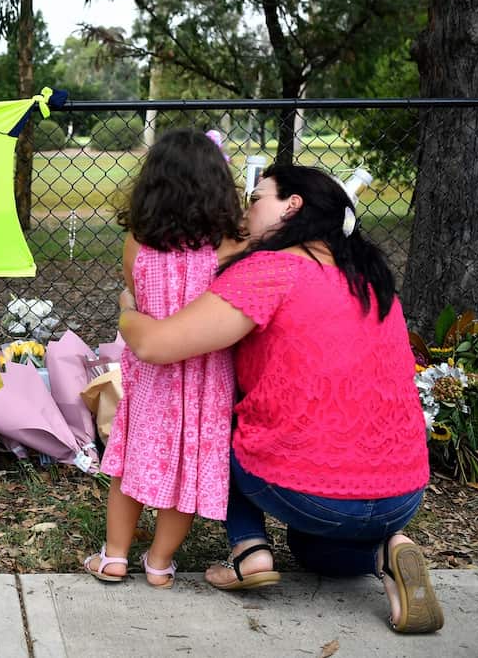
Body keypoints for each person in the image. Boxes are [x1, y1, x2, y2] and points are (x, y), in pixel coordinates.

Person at [118, 164, 443, 633]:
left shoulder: (269, 271)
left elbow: (156, 345)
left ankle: (248, 548)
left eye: (257, 198)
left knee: (215, 416)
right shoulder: (371, 279)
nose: (246, 209)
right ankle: (386, 551)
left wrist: (128, 310)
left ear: (292, 206)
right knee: (313, 551)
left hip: (311, 491)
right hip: (402, 491)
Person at [83, 129, 245, 587]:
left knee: (131, 463)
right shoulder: (230, 246)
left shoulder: (138, 241)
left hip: (153, 374)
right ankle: (158, 563)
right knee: (186, 468)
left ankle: (115, 557)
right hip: (208, 376)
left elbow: (133, 294)